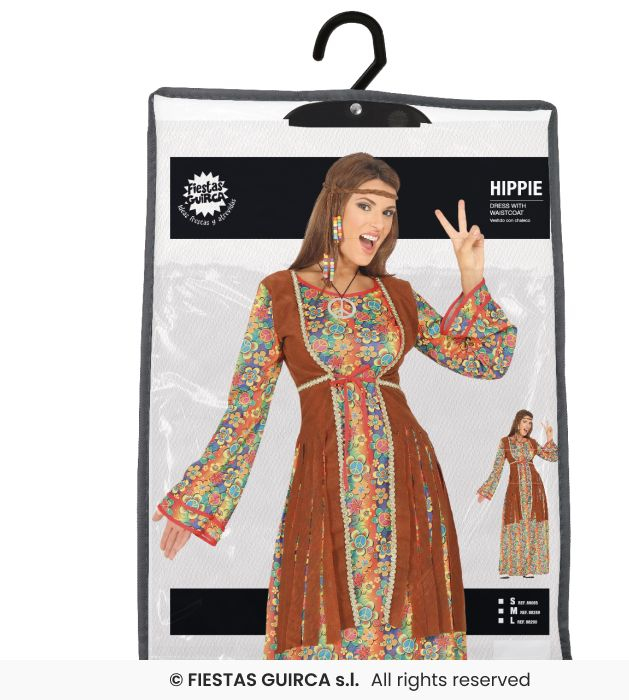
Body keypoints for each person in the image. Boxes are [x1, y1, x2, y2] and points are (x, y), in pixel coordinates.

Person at [153, 152, 518, 660]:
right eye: (366, 205)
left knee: (409, 634)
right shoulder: (280, 294)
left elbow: (486, 360)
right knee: (326, 630)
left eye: (388, 211)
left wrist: (472, 276)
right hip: (325, 479)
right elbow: (246, 409)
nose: (378, 222)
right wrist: (198, 500)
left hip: (407, 479)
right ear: (334, 208)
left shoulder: (397, 296)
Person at [477, 410, 559, 578]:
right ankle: (510, 568)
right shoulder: (505, 442)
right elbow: (497, 469)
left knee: (532, 526)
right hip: (515, 490)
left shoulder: (532, 443)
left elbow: (552, 457)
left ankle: (529, 568)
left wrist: (549, 437)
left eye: (530, 422)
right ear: (517, 422)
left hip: (535, 489)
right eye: (525, 421)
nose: (528, 425)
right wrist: (486, 491)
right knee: (513, 524)